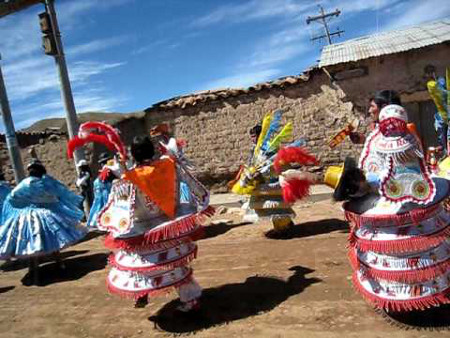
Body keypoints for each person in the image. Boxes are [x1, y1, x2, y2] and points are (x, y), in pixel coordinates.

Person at [325, 104, 450, 318]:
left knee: (422, 250)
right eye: (351, 187)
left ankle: (428, 297)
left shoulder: (405, 142)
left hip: (409, 198)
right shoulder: (375, 150)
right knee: (399, 256)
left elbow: (406, 171)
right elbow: (377, 172)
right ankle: (404, 300)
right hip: (391, 201)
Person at [98, 135, 212, 311]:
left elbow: (124, 210)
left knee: (141, 264)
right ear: (153, 150)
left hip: (142, 232)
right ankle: (190, 300)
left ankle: (141, 293)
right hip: (169, 226)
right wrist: (183, 208)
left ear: (133, 155)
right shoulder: (168, 166)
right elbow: (183, 188)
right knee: (175, 264)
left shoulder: (128, 178)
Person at [232, 110, 317, 237]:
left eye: (254, 136)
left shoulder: (270, 148)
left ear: (260, 135)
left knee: (276, 206)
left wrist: (262, 173)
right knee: (270, 207)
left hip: (274, 179)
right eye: (251, 137)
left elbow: (276, 164)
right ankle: (284, 227)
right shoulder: (255, 150)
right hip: (263, 182)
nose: (252, 139)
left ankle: (285, 228)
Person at [0, 159, 87, 280]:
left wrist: (24, 203)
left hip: (27, 214)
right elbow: (58, 194)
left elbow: (12, 197)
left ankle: (32, 268)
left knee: (29, 240)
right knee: (54, 239)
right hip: (46, 213)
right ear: (41, 170)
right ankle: (59, 263)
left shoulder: (25, 183)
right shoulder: (47, 182)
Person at [86, 153, 116, 229]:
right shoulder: (108, 171)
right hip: (106, 191)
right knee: (105, 205)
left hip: (102, 190)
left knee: (99, 205)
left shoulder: (107, 171)